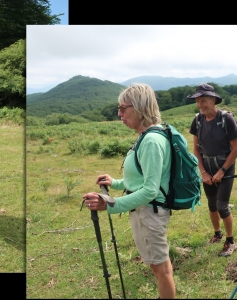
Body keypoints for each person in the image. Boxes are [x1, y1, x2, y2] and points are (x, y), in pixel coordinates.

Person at [82, 83, 176, 299]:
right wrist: (115, 183)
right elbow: (142, 178)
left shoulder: (151, 140)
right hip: (147, 212)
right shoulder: (147, 135)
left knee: (160, 270)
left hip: (150, 213)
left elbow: (150, 190)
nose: (119, 113)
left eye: (124, 108)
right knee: (161, 267)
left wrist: (111, 203)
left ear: (141, 107)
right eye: (119, 108)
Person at [188, 83, 237, 256]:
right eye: (198, 101)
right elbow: (196, 149)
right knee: (211, 204)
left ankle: (231, 241)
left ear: (213, 100)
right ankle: (217, 234)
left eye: (204, 101)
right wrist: (203, 172)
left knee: (222, 206)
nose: (200, 105)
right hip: (206, 167)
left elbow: (235, 148)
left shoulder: (226, 119)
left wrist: (222, 171)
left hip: (226, 167)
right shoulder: (198, 120)